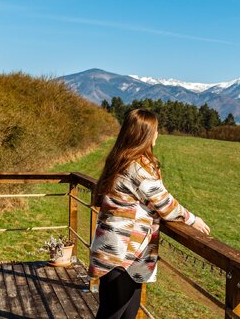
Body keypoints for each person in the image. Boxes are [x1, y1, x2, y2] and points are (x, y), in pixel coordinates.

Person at [89, 108, 211, 319]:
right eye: (155, 130)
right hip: (122, 254)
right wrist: (192, 220)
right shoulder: (137, 167)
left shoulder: (120, 160)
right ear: (144, 134)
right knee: (113, 314)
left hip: (121, 252)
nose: (158, 135)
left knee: (127, 311)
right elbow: (165, 204)